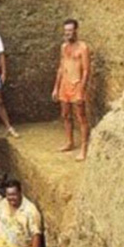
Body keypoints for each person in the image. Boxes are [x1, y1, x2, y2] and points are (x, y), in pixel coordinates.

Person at [51, 18, 91, 161]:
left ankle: (84, 149)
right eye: (66, 30)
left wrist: (82, 89)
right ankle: (69, 142)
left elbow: (86, 70)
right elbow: (61, 68)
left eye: (70, 30)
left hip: (77, 84)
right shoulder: (63, 47)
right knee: (66, 115)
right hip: (65, 85)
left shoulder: (83, 48)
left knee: (81, 117)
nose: (68, 33)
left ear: (76, 30)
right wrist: (56, 87)